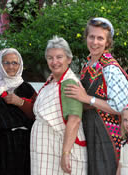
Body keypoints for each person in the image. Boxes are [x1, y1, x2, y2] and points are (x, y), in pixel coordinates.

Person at [64, 17, 128, 175]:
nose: (95, 42)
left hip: (106, 134)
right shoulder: (88, 65)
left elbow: (121, 107)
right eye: (91, 36)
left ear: (107, 42)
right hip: (89, 128)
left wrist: (88, 99)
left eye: (100, 38)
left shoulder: (110, 68)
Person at [30, 36, 87, 175]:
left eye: (59, 57)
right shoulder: (51, 81)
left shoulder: (68, 83)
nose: (54, 62)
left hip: (60, 150)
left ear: (69, 59)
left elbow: (74, 120)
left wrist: (65, 153)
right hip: (46, 150)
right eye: (50, 58)